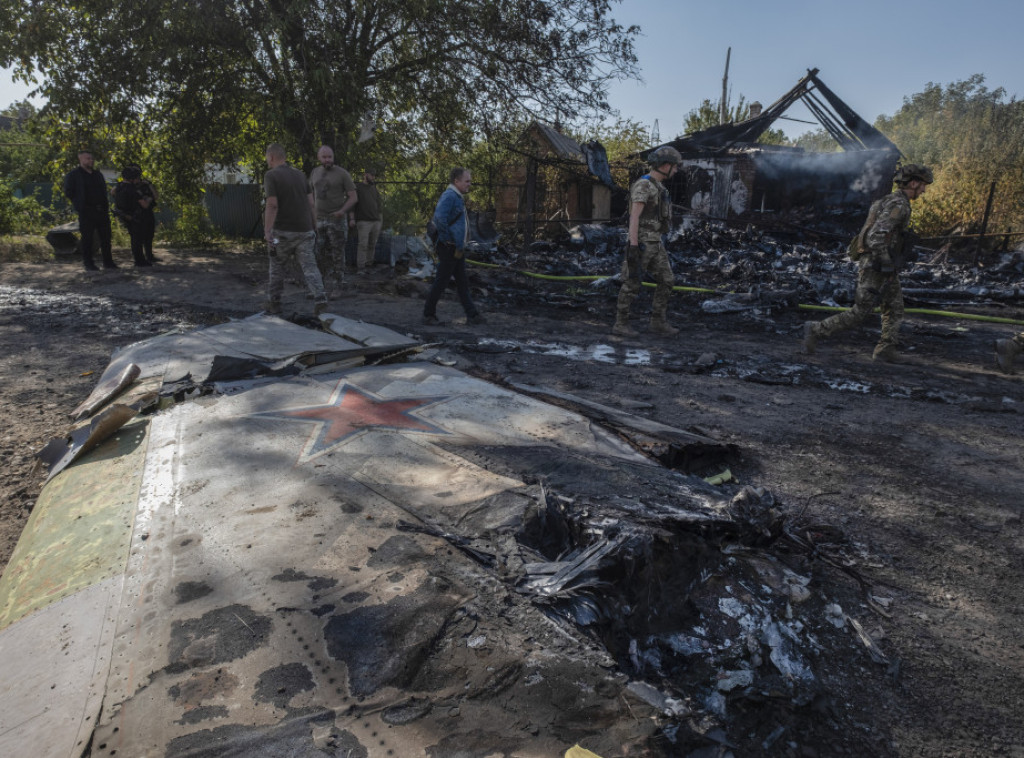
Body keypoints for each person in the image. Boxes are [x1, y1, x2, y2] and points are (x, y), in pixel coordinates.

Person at [803, 164, 933, 362]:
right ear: (914, 183)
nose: (924, 190)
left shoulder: (888, 200)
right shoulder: (898, 205)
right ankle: (816, 329)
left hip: (882, 264)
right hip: (876, 265)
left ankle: (885, 349)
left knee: (894, 307)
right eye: (923, 185)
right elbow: (875, 237)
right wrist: (887, 263)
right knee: (860, 312)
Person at [612, 146, 682, 337]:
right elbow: (634, 217)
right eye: (675, 166)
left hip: (655, 242)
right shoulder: (644, 185)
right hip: (642, 242)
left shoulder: (659, 187)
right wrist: (634, 246)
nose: (676, 170)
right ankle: (621, 324)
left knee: (667, 280)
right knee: (632, 283)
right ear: (666, 165)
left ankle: (657, 322)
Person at [263, 143, 328, 316]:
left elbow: (272, 205)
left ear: (271, 157)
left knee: (277, 267)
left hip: (281, 232)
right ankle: (320, 298)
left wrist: (267, 231)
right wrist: (314, 225)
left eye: (267, 158)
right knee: (310, 266)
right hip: (305, 231)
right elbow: (311, 203)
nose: (267, 161)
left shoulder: (271, 176)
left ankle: (274, 303)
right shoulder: (300, 175)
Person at [422, 168, 485, 326]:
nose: (469, 184)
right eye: (467, 181)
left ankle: (472, 314)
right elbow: (439, 218)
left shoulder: (456, 196)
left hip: (456, 247)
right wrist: (447, 240)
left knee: (462, 282)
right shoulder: (450, 196)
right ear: (456, 181)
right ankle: (428, 314)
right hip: (449, 247)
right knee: (442, 281)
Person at [309, 146, 357, 286]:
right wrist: (313, 214)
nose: (327, 160)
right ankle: (320, 285)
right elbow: (310, 194)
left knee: (337, 253)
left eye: (330, 157)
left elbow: (353, 197)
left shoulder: (342, 174)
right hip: (319, 219)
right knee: (318, 252)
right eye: (324, 157)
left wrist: (342, 211)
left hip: (336, 219)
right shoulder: (315, 172)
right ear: (319, 158)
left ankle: (338, 284)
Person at [62, 149, 116, 270]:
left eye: (92, 158)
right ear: (80, 159)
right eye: (88, 158)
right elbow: (69, 192)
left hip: (101, 210)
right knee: (87, 238)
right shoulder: (74, 175)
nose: (91, 160)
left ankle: (108, 262)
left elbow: (103, 190)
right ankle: (88, 263)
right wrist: (79, 204)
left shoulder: (97, 174)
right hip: (86, 211)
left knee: (106, 238)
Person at [113, 166, 157, 267]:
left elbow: (112, 192)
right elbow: (144, 205)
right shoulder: (133, 189)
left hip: (125, 215)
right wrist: (149, 199)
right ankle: (139, 260)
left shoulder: (119, 186)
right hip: (135, 216)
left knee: (134, 239)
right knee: (137, 240)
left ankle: (139, 259)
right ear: (132, 178)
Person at [351, 168, 383, 272]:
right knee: (363, 244)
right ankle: (361, 266)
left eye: (374, 175)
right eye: (371, 175)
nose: (373, 177)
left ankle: (369, 263)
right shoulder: (358, 187)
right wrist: (352, 218)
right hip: (363, 221)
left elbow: (378, 202)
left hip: (376, 220)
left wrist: (379, 218)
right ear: (365, 175)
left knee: (372, 244)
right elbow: (352, 204)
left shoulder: (374, 188)